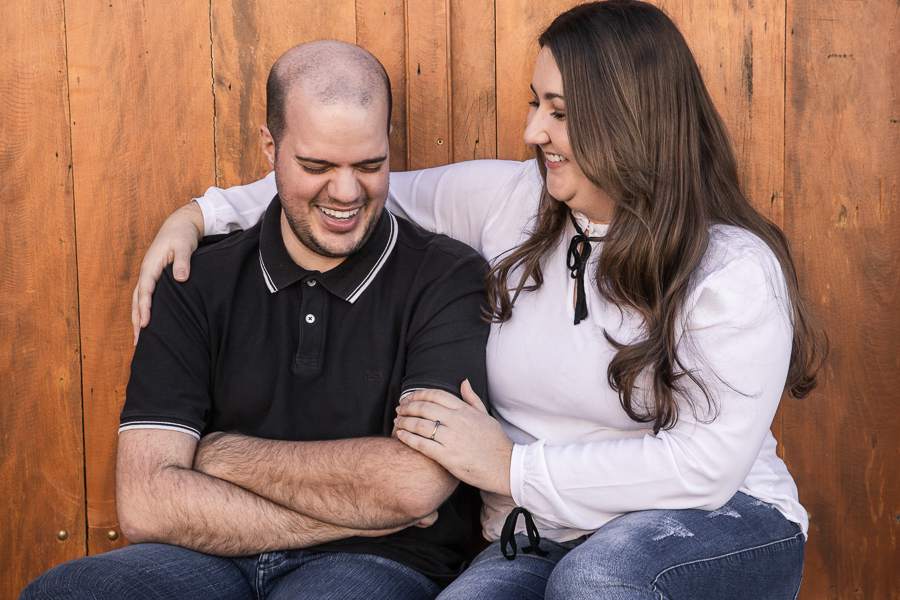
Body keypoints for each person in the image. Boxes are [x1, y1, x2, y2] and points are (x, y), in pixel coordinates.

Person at [130, 2, 828, 598]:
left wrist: (509, 468)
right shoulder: (511, 201)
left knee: (598, 582)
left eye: (558, 112)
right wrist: (200, 214)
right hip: (539, 537)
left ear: (629, 119)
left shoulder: (731, 268)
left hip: (716, 523)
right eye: (535, 103)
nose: (533, 132)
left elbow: (705, 468)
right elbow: (352, 191)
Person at [22, 41, 492, 600]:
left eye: (369, 165)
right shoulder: (194, 279)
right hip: (206, 556)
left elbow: (413, 486)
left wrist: (220, 455)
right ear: (270, 146)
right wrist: (355, 515)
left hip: (376, 562)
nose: (346, 193)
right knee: (68, 590)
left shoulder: (446, 278)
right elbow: (146, 504)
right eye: (316, 166)